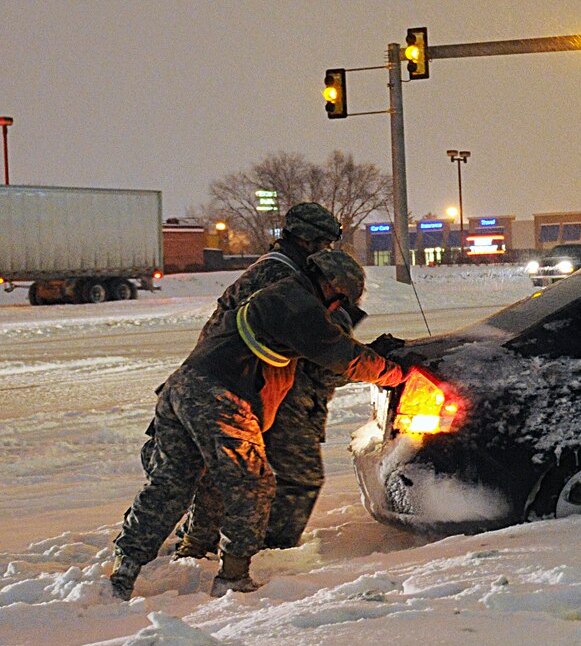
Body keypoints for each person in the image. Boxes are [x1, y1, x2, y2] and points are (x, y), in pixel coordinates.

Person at [109, 250, 407, 600]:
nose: (334, 312)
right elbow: (341, 355)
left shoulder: (277, 297)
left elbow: (320, 364)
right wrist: (394, 373)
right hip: (221, 397)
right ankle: (233, 576)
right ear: (332, 287)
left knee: (171, 482)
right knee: (253, 482)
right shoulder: (298, 304)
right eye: (339, 303)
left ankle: (125, 567)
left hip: (181, 389)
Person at [172, 202, 398, 555]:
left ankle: (200, 543)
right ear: (308, 240)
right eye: (323, 243)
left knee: (225, 471)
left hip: (240, 386)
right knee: (297, 478)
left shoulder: (280, 271)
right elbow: (319, 355)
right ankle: (263, 551)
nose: (327, 252)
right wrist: (373, 364)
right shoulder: (283, 278)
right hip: (266, 390)